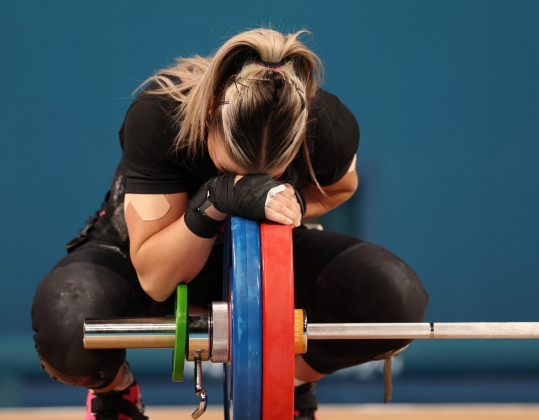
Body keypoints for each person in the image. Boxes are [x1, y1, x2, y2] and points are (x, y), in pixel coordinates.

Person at [31, 28, 429, 420]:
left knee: (396, 300)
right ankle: (116, 393)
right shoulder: (160, 113)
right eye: (233, 167)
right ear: (209, 118)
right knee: (66, 325)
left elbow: (342, 187)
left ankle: (291, 381)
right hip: (147, 253)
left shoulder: (323, 122)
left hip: (255, 254)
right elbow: (155, 277)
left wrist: (283, 211)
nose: (252, 179)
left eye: (269, 174)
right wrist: (219, 198)